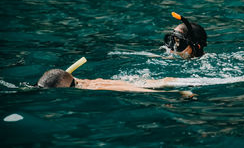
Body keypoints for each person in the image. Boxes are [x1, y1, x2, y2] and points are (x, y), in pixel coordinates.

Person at [36, 68, 194, 97]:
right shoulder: (78, 81)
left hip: (131, 85)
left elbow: (131, 89)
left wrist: (176, 93)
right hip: (133, 80)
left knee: (140, 86)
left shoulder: (94, 88)